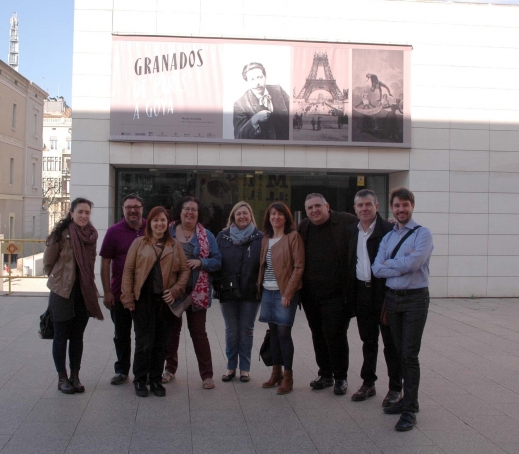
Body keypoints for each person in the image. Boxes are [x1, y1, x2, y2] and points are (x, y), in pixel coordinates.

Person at [372, 187, 434, 431]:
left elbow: (415, 263)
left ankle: (409, 410)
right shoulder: (388, 237)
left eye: (405, 205)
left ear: (412, 206)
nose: (401, 210)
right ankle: (409, 400)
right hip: (393, 299)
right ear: (392, 208)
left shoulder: (423, 234)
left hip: (415, 300)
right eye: (397, 206)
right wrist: (401, 266)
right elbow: (377, 269)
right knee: (397, 351)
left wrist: (391, 264)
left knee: (409, 354)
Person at [121, 206, 190, 397]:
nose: (159, 224)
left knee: (161, 343)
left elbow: (185, 270)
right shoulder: (139, 243)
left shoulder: (175, 245)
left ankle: (156, 379)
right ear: (149, 223)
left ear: (168, 224)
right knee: (144, 342)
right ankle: (140, 379)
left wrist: (176, 290)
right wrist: (127, 297)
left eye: (163, 220)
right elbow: (128, 271)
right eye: (155, 220)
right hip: (142, 300)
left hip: (165, 302)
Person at [346, 189, 402, 406]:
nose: (364, 209)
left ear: (377, 206)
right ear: (355, 209)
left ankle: (395, 388)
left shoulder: (389, 230)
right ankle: (368, 383)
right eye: (360, 205)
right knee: (368, 341)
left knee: (391, 343)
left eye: (368, 204)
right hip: (362, 293)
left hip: (384, 294)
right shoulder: (352, 230)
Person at [298, 193, 357, 395]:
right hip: (311, 295)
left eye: (317, 206)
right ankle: (325, 374)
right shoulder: (303, 227)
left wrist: (390, 223)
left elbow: (370, 223)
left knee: (335, 335)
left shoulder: (345, 221)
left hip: (336, 294)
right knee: (318, 334)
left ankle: (341, 377)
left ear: (327, 206)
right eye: (310, 208)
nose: (314, 210)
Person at [43, 197, 103, 395]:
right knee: (61, 336)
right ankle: (62, 377)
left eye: (87, 212)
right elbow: (48, 264)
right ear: (72, 213)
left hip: (83, 292)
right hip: (62, 292)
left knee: (77, 336)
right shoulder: (61, 234)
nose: (84, 216)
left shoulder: (91, 235)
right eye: (80, 212)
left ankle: (75, 376)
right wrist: (60, 278)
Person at [163, 197, 222, 389]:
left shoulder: (208, 236)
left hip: (197, 293)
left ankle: (207, 375)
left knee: (199, 333)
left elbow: (217, 261)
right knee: (172, 333)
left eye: (194, 210)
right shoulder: (167, 231)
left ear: (199, 213)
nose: (190, 212)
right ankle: (169, 369)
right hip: (172, 292)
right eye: (186, 209)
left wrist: (201, 262)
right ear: (179, 212)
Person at [100, 194, 146, 386]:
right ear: (122, 209)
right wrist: (106, 292)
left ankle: (141, 372)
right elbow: (105, 263)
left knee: (144, 335)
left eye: (136, 206)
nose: (132, 210)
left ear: (142, 208)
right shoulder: (113, 231)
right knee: (121, 334)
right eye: (128, 207)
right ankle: (122, 371)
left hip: (145, 294)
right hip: (119, 293)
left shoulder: (150, 228)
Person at [258, 202, 304, 395]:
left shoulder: (292, 237)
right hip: (268, 292)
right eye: (272, 214)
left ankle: (288, 376)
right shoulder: (265, 239)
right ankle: (275, 372)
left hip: (284, 292)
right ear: (268, 218)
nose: (276, 217)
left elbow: (299, 266)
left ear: (286, 217)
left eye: (280, 214)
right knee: (274, 333)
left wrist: (288, 293)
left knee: (284, 334)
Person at [216, 201, 263, 382]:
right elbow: (215, 261)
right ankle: (230, 367)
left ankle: (244, 368)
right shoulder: (223, 236)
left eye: (245, 213)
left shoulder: (260, 238)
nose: (242, 216)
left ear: (251, 215)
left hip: (251, 293)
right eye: (238, 214)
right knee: (231, 330)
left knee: (246, 330)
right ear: (233, 217)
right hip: (227, 292)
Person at [233, 62, 290, 140]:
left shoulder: (278, 90)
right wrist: (254, 120)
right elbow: (238, 136)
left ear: (265, 77)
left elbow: (293, 111)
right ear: (247, 82)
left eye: (259, 77)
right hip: (263, 148)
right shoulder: (240, 105)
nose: (257, 83)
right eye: (252, 79)